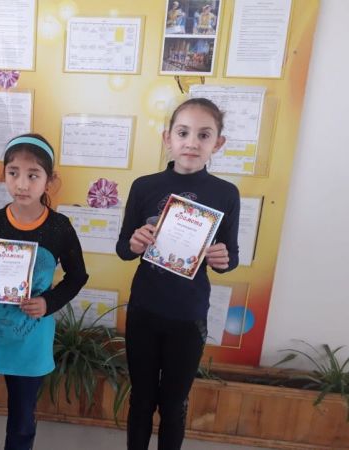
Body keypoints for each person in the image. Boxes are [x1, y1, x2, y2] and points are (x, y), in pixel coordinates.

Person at [0, 134, 89, 450]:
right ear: (5, 174)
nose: (22, 184)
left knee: (22, 423)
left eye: (33, 175)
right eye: (13, 173)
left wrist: (48, 302)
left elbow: (77, 276)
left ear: (49, 181)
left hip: (30, 343)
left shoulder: (59, 228)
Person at [116, 98, 240, 450]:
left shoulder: (226, 194)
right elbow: (124, 249)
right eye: (183, 133)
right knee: (141, 399)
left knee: (173, 404)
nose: (192, 143)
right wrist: (135, 242)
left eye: (204, 135)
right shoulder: (144, 186)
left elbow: (230, 258)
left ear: (218, 143)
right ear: (167, 138)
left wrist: (221, 258)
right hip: (144, 310)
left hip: (188, 316)